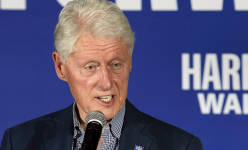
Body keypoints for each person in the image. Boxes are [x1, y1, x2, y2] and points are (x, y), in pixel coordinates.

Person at [0, 0, 203, 149]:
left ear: (130, 62)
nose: (106, 83)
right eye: (91, 67)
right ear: (60, 67)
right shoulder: (20, 142)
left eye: (116, 64)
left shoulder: (179, 145)